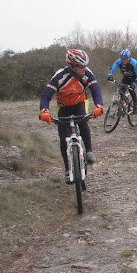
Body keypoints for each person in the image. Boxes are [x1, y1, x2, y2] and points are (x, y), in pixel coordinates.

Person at [39, 49, 104, 182]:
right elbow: (46, 95)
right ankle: (68, 169)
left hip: (79, 103)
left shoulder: (87, 74)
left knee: (83, 122)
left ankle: (89, 150)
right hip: (63, 107)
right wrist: (44, 110)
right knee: (64, 139)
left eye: (85, 65)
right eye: (81, 66)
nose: (84, 69)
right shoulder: (60, 76)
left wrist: (99, 106)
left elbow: (95, 89)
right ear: (72, 66)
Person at [107, 49, 137, 114]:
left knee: (131, 89)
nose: (124, 61)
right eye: (122, 59)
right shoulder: (119, 62)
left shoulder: (134, 63)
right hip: (126, 77)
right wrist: (109, 75)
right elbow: (112, 68)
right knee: (121, 90)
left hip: (134, 77)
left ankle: (135, 105)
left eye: (125, 59)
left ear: (129, 58)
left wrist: (134, 84)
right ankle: (122, 106)